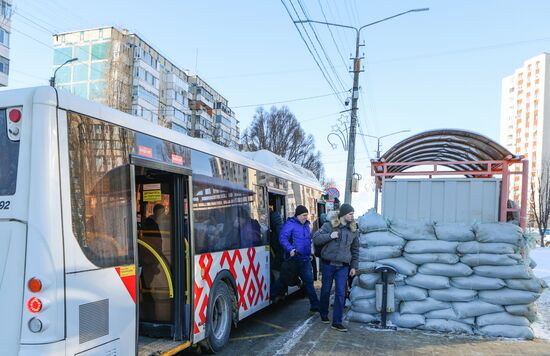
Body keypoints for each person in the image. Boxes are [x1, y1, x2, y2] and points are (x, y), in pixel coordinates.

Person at [313, 203, 359, 332]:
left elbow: (355, 250)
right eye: (351, 214)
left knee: (340, 293)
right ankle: (323, 313)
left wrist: (354, 267)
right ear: (344, 214)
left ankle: (337, 322)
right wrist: (330, 236)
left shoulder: (353, 230)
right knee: (326, 290)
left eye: (353, 214)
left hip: (343, 267)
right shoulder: (329, 226)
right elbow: (316, 239)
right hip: (328, 264)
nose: (352, 216)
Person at [278, 205, 320, 312]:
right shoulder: (290, 224)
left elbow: (307, 241)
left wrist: (310, 253)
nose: (306, 217)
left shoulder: (306, 225)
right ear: (297, 215)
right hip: (295, 258)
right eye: (303, 215)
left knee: (309, 282)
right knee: (285, 278)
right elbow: (282, 238)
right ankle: (274, 295)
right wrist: (291, 249)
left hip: (305, 259)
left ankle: (315, 305)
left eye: (306, 215)